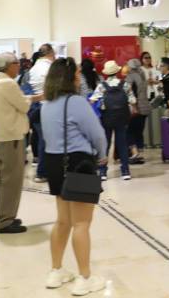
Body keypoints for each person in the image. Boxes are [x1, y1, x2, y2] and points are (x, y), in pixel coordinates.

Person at [41, 57, 108, 294]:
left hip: (54, 162)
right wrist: (102, 155)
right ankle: (84, 277)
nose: (79, 76)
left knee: (62, 221)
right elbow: (97, 134)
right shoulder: (76, 102)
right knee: (81, 223)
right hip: (78, 163)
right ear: (70, 77)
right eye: (77, 73)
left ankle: (55, 271)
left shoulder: (46, 104)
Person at [0, 53, 42, 234]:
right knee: (12, 180)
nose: (19, 66)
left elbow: (18, 101)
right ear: (9, 65)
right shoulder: (8, 83)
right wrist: (35, 98)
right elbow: (23, 106)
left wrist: (34, 97)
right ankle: (5, 221)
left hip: (0, 137)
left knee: (5, 179)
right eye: (17, 63)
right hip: (12, 138)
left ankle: (4, 214)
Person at [90, 60, 135, 181]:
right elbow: (133, 101)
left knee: (105, 144)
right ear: (117, 71)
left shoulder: (101, 85)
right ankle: (125, 171)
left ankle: (103, 172)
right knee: (122, 144)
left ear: (106, 73)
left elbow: (92, 100)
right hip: (122, 117)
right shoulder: (124, 84)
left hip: (106, 118)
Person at [30, 43, 56, 183]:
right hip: (48, 106)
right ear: (51, 53)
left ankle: (42, 171)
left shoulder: (34, 68)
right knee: (46, 141)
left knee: (42, 139)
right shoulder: (50, 67)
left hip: (36, 106)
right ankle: (42, 172)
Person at [125, 58, 151, 163]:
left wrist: (134, 107)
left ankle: (134, 153)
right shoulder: (142, 74)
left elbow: (130, 94)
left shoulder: (130, 77)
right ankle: (139, 151)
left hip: (136, 107)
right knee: (138, 130)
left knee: (129, 131)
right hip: (145, 107)